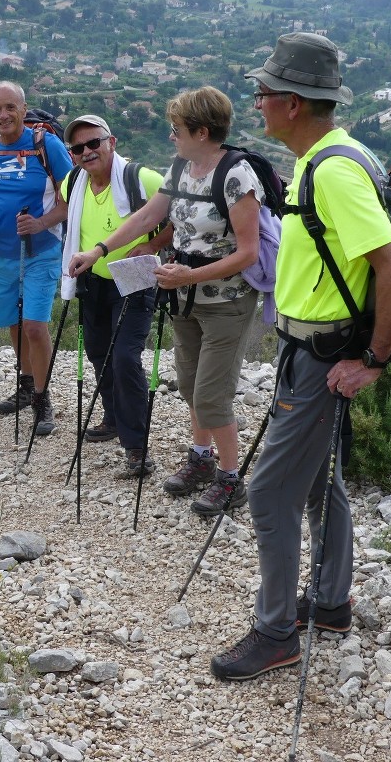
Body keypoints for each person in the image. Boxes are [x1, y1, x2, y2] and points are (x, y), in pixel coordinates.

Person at [209, 33, 391, 681]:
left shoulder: (332, 170)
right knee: (320, 482)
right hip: (310, 351)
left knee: (269, 491)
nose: (258, 102)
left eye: (265, 93)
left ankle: (276, 634)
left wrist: (373, 360)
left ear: (294, 104)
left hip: (324, 356)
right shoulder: (327, 157)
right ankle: (329, 603)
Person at [70, 87, 264, 511]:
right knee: (192, 385)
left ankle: (231, 479)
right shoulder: (181, 168)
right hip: (183, 298)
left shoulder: (237, 176)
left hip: (226, 301)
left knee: (213, 394)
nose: (171, 137)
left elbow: (248, 252)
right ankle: (200, 459)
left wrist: (189, 274)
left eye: (177, 130)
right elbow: (145, 217)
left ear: (202, 131)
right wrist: (98, 251)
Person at [0, 81, 73, 436]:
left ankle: (43, 398)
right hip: (3, 253)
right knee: (13, 323)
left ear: (24, 110)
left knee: (35, 326)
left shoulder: (46, 146)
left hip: (41, 251)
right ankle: (26, 387)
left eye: (10, 108)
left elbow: (74, 198)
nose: (3, 115)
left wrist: (40, 222)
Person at [62, 114, 170, 478]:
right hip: (94, 280)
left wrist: (154, 243)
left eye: (94, 143)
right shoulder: (73, 182)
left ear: (113, 141)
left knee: (125, 357)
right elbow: (65, 215)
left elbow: (179, 216)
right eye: (78, 148)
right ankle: (112, 416)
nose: (87, 152)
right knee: (97, 352)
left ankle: (137, 447)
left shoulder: (142, 178)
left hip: (135, 279)